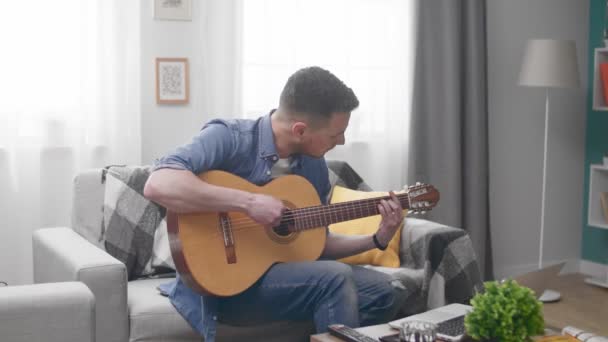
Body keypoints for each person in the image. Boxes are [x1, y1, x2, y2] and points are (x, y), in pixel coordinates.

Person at [143, 66, 406, 342]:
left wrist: (377, 239)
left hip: (286, 279)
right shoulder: (229, 138)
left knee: (389, 291)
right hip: (225, 288)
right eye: (335, 134)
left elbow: (317, 244)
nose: (342, 141)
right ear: (300, 130)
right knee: (336, 278)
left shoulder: (313, 166)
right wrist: (249, 202)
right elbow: (158, 183)